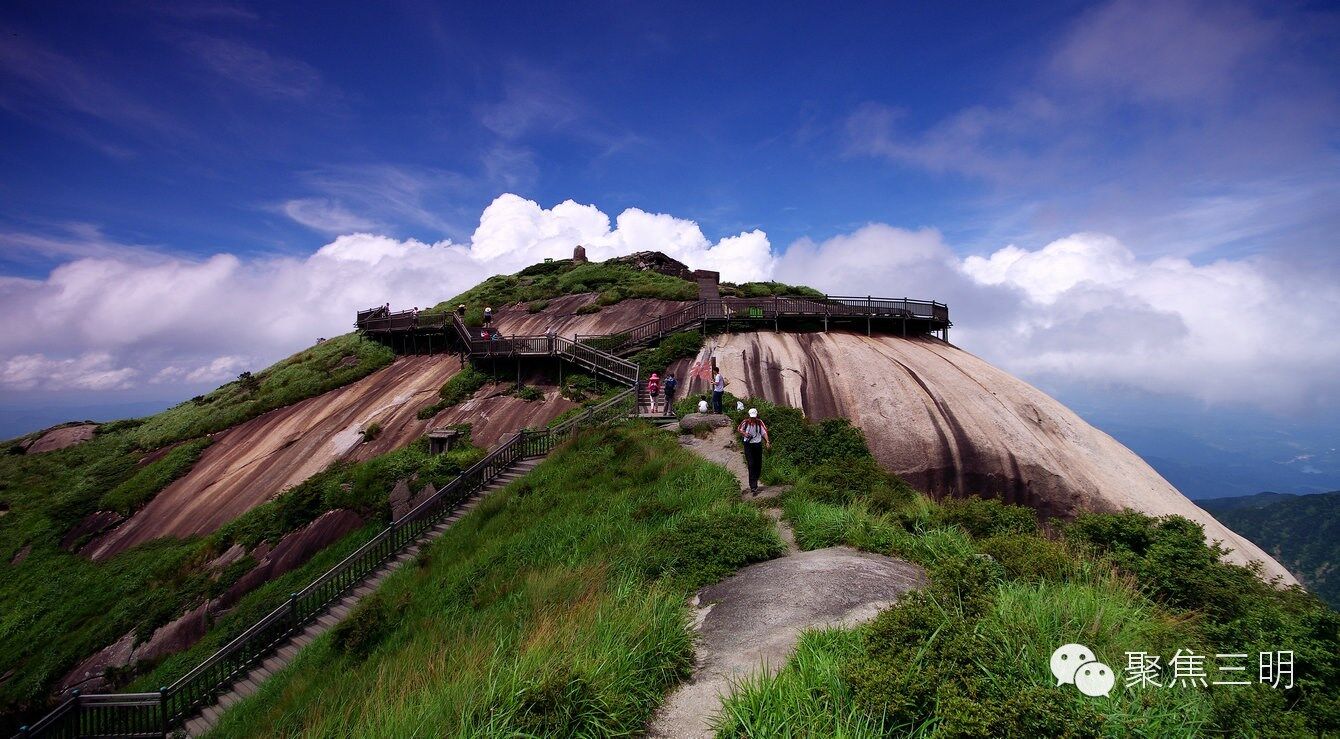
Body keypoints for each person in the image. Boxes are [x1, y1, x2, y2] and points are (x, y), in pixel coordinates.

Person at [737, 408, 771, 494]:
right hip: (748, 445)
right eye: (751, 417)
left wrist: (767, 441)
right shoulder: (745, 422)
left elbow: (764, 432)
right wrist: (745, 434)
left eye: (754, 417)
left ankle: (755, 479)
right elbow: (739, 429)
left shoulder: (759, 423)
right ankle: (753, 486)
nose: (753, 419)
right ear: (749, 416)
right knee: (751, 464)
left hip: (757, 444)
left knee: (758, 464)